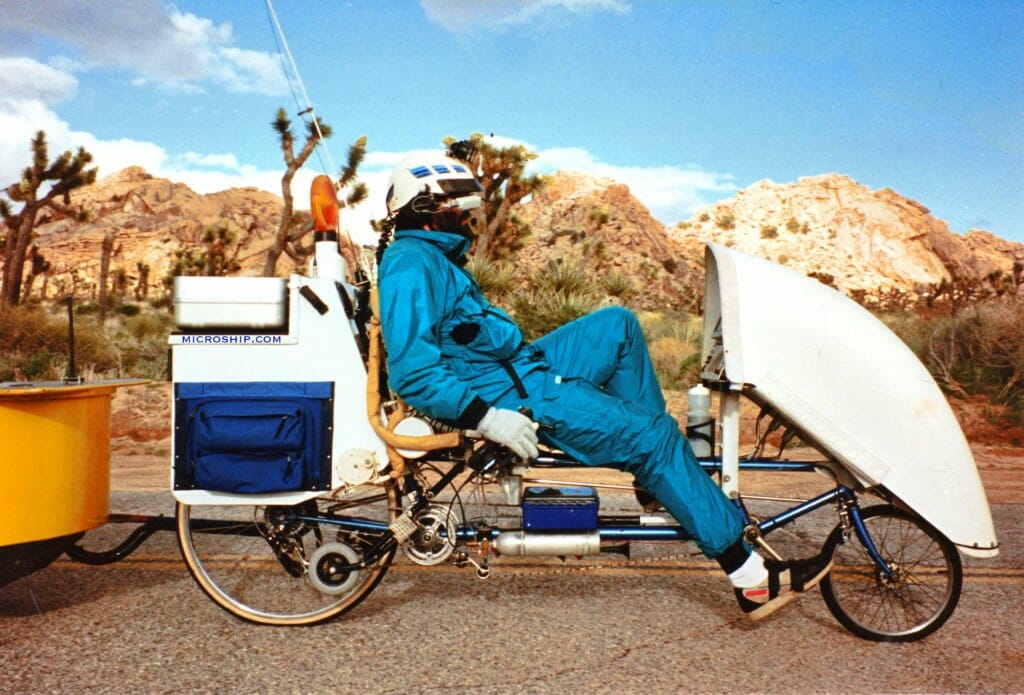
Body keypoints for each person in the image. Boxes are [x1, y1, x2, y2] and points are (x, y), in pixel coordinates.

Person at [375, 146, 831, 621]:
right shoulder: (411, 264)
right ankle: (750, 580)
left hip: (519, 365)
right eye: (459, 211)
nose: (469, 221)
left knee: (618, 325)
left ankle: (658, 480)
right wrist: (489, 420)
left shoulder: (433, 259)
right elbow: (413, 373)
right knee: (654, 439)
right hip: (515, 395)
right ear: (427, 213)